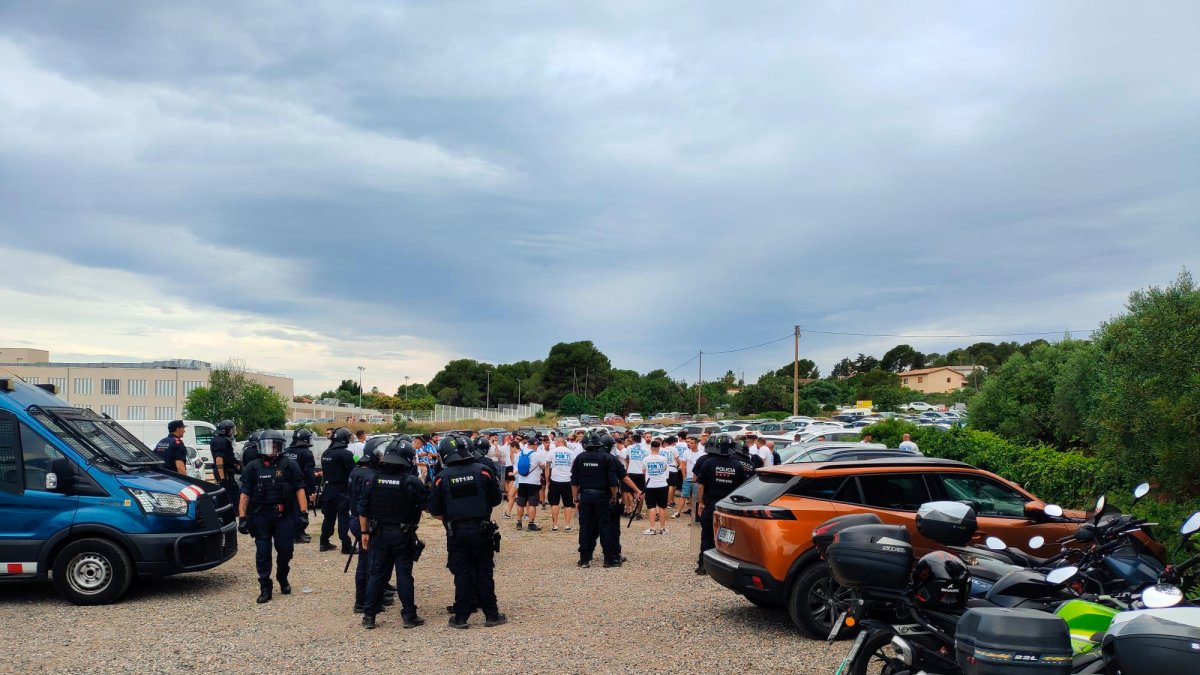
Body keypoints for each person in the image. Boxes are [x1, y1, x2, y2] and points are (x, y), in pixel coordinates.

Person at [427, 436, 506, 629]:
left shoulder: (441, 477)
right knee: (484, 571)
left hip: (457, 532)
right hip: (482, 528)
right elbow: (496, 499)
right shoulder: (484, 471)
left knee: (462, 573)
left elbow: (435, 510)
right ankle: (491, 615)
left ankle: (461, 617)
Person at [359, 443, 428, 630]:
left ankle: (369, 616)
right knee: (404, 575)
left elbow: (363, 511)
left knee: (376, 574)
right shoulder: (411, 481)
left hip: (378, 533)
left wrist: (364, 533)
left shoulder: (372, 480)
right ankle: (409, 616)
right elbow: (426, 505)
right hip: (403, 534)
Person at [238, 430, 308, 603]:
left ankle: (282, 576)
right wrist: (242, 517)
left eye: (274, 445)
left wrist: (304, 513)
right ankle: (265, 586)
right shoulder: (253, 467)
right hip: (261, 515)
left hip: (283, 515)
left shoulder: (289, 465)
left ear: (279, 447)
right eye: (267, 445)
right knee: (263, 553)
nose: (270, 449)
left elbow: (300, 489)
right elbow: (245, 494)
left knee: (285, 550)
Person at [694, 435, 751, 575]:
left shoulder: (708, 463)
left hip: (711, 503)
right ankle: (726, 567)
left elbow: (701, 485)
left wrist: (700, 502)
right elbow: (742, 487)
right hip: (728, 506)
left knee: (707, 535)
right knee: (729, 536)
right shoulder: (738, 465)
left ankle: (703, 566)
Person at [571, 432, 619, 568]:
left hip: (585, 496)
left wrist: (576, 499)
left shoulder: (580, 458)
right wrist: (614, 497)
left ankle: (584, 559)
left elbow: (574, 482)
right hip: (603, 496)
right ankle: (608, 560)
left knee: (585, 527)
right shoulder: (606, 458)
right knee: (605, 527)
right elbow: (613, 483)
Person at [320, 427, 357, 553]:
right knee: (343, 517)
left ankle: (323, 542)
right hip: (341, 489)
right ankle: (346, 545)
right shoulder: (346, 454)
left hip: (328, 488)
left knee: (328, 517)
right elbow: (352, 472)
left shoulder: (326, 453)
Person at [284, 428, 318, 544]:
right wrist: (312, 490)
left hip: (286, 485)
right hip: (300, 486)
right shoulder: (307, 453)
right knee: (299, 510)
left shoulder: (287, 451)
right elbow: (309, 473)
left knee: (289, 510)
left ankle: (294, 532)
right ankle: (298, 534)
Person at [513, 436, 549, 531]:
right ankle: (531, 524)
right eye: (537, 445)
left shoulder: (519, 454)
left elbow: (517, 467)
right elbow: (543, 466)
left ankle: (519, 523)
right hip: (533, 482)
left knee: (520, 504)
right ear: (534, 445)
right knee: (532, 504)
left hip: (522, 482)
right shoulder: (537, 454)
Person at [548, 436, 582, 532]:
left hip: (555, 480)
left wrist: (547, 480)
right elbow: (575, 468)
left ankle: (555, 525)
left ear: (558, 442)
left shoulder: (552, 452)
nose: (554, 444)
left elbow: (547, 467)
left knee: (554, 503)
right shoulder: (571, 453)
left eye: (555, 442)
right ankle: (567, 525)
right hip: (567, 480)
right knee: (567, 504)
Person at [642, 440, 670, 535]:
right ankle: (662, 528)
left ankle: (652, 528)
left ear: (651, 448)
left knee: (651, 506)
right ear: (659, 448)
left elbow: (644, 470)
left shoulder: (645, 459)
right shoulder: (664, 458)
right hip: (662, 484)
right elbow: (665, 468)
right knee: (662, 506)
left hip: (650, 485)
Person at [210, 419, 238, 498]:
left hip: (225, 473)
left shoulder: (221, 440)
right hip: (224, 474)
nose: (232, 432)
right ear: (225, 430)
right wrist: (222, 478)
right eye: (231, 430)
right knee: (228, 495)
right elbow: (219, 460)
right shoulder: (220, 441)